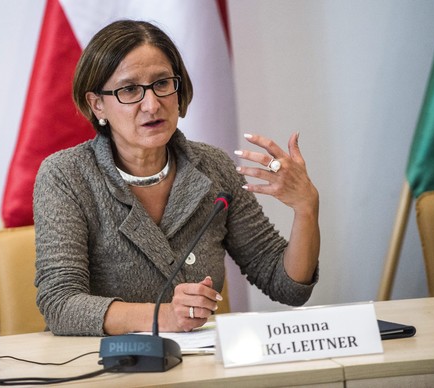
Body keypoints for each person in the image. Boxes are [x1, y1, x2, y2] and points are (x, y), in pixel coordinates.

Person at [33, 20, 320, 336]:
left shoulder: (212, 168)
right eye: (130, 90)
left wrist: (306, 209)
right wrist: (164, 316)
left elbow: (288, 287)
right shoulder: (66, 176)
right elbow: (60, 304)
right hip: (107, 370)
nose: (153, 104)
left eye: (162, 84)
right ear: (97, 103)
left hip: (199, 369)